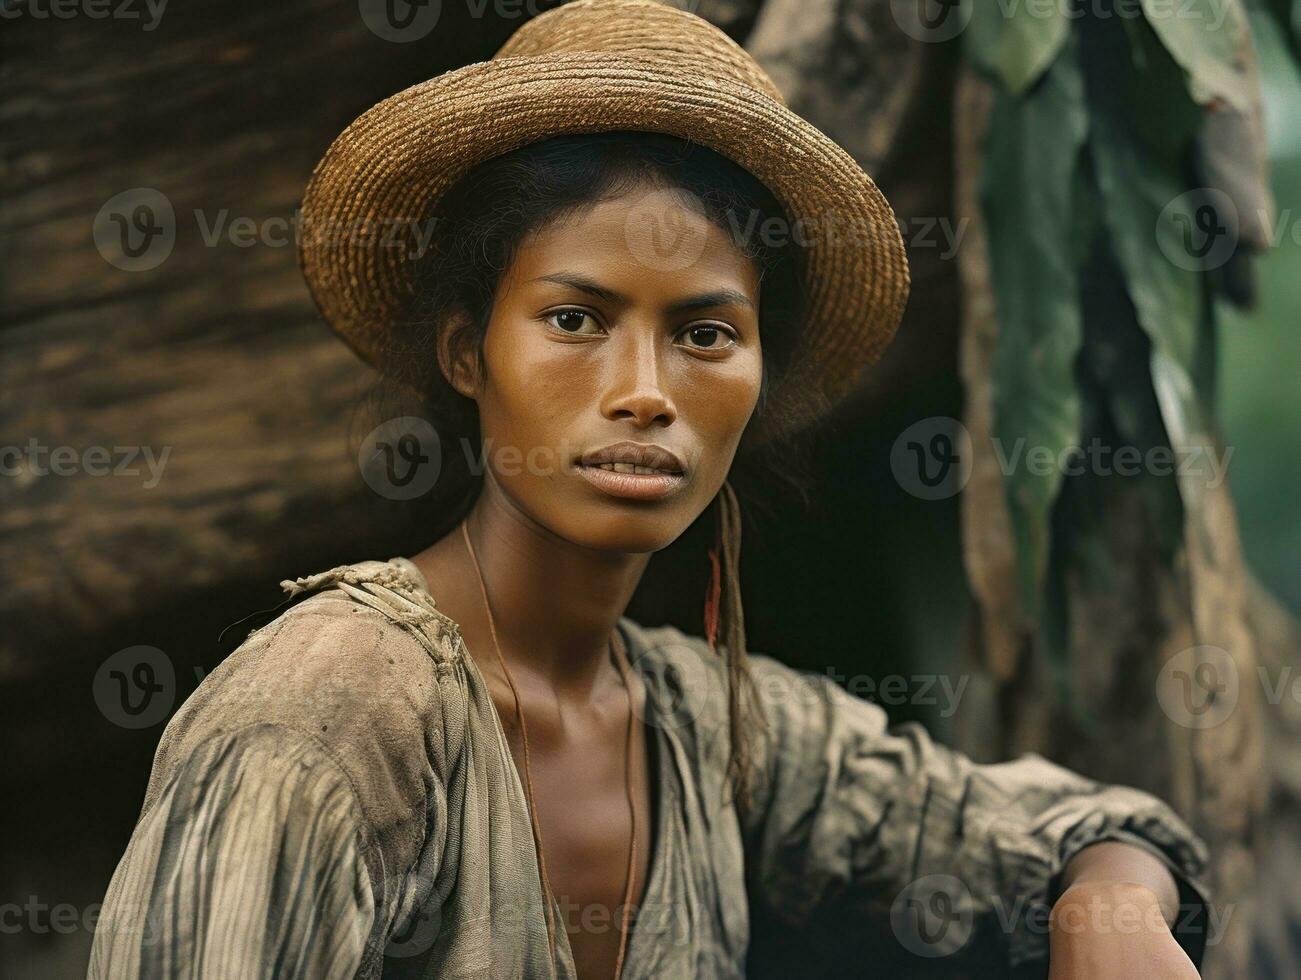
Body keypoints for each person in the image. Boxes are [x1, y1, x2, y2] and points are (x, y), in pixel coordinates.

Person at [88, 1, 1213, 977]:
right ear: (467, 352)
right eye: (574, 318)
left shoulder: (707, 724)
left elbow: (1073, 826)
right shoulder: (327, 714)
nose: (643, 392)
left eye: (704, 332)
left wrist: (1103, 903)